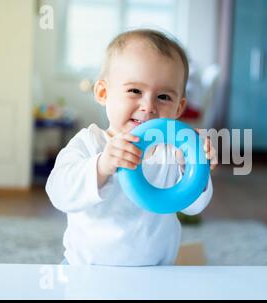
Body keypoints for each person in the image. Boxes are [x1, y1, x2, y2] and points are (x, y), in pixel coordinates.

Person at [46, 29, 217, 266]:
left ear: (179, 108)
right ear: (103, 92)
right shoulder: (89, 143)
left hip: (156, 274)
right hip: (87, 271)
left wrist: (194, 165)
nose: (148, 106)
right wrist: (101, 166)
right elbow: (59, 193)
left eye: (164, 97)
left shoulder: (173, 154)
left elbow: (194, 206)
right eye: (135, 91)